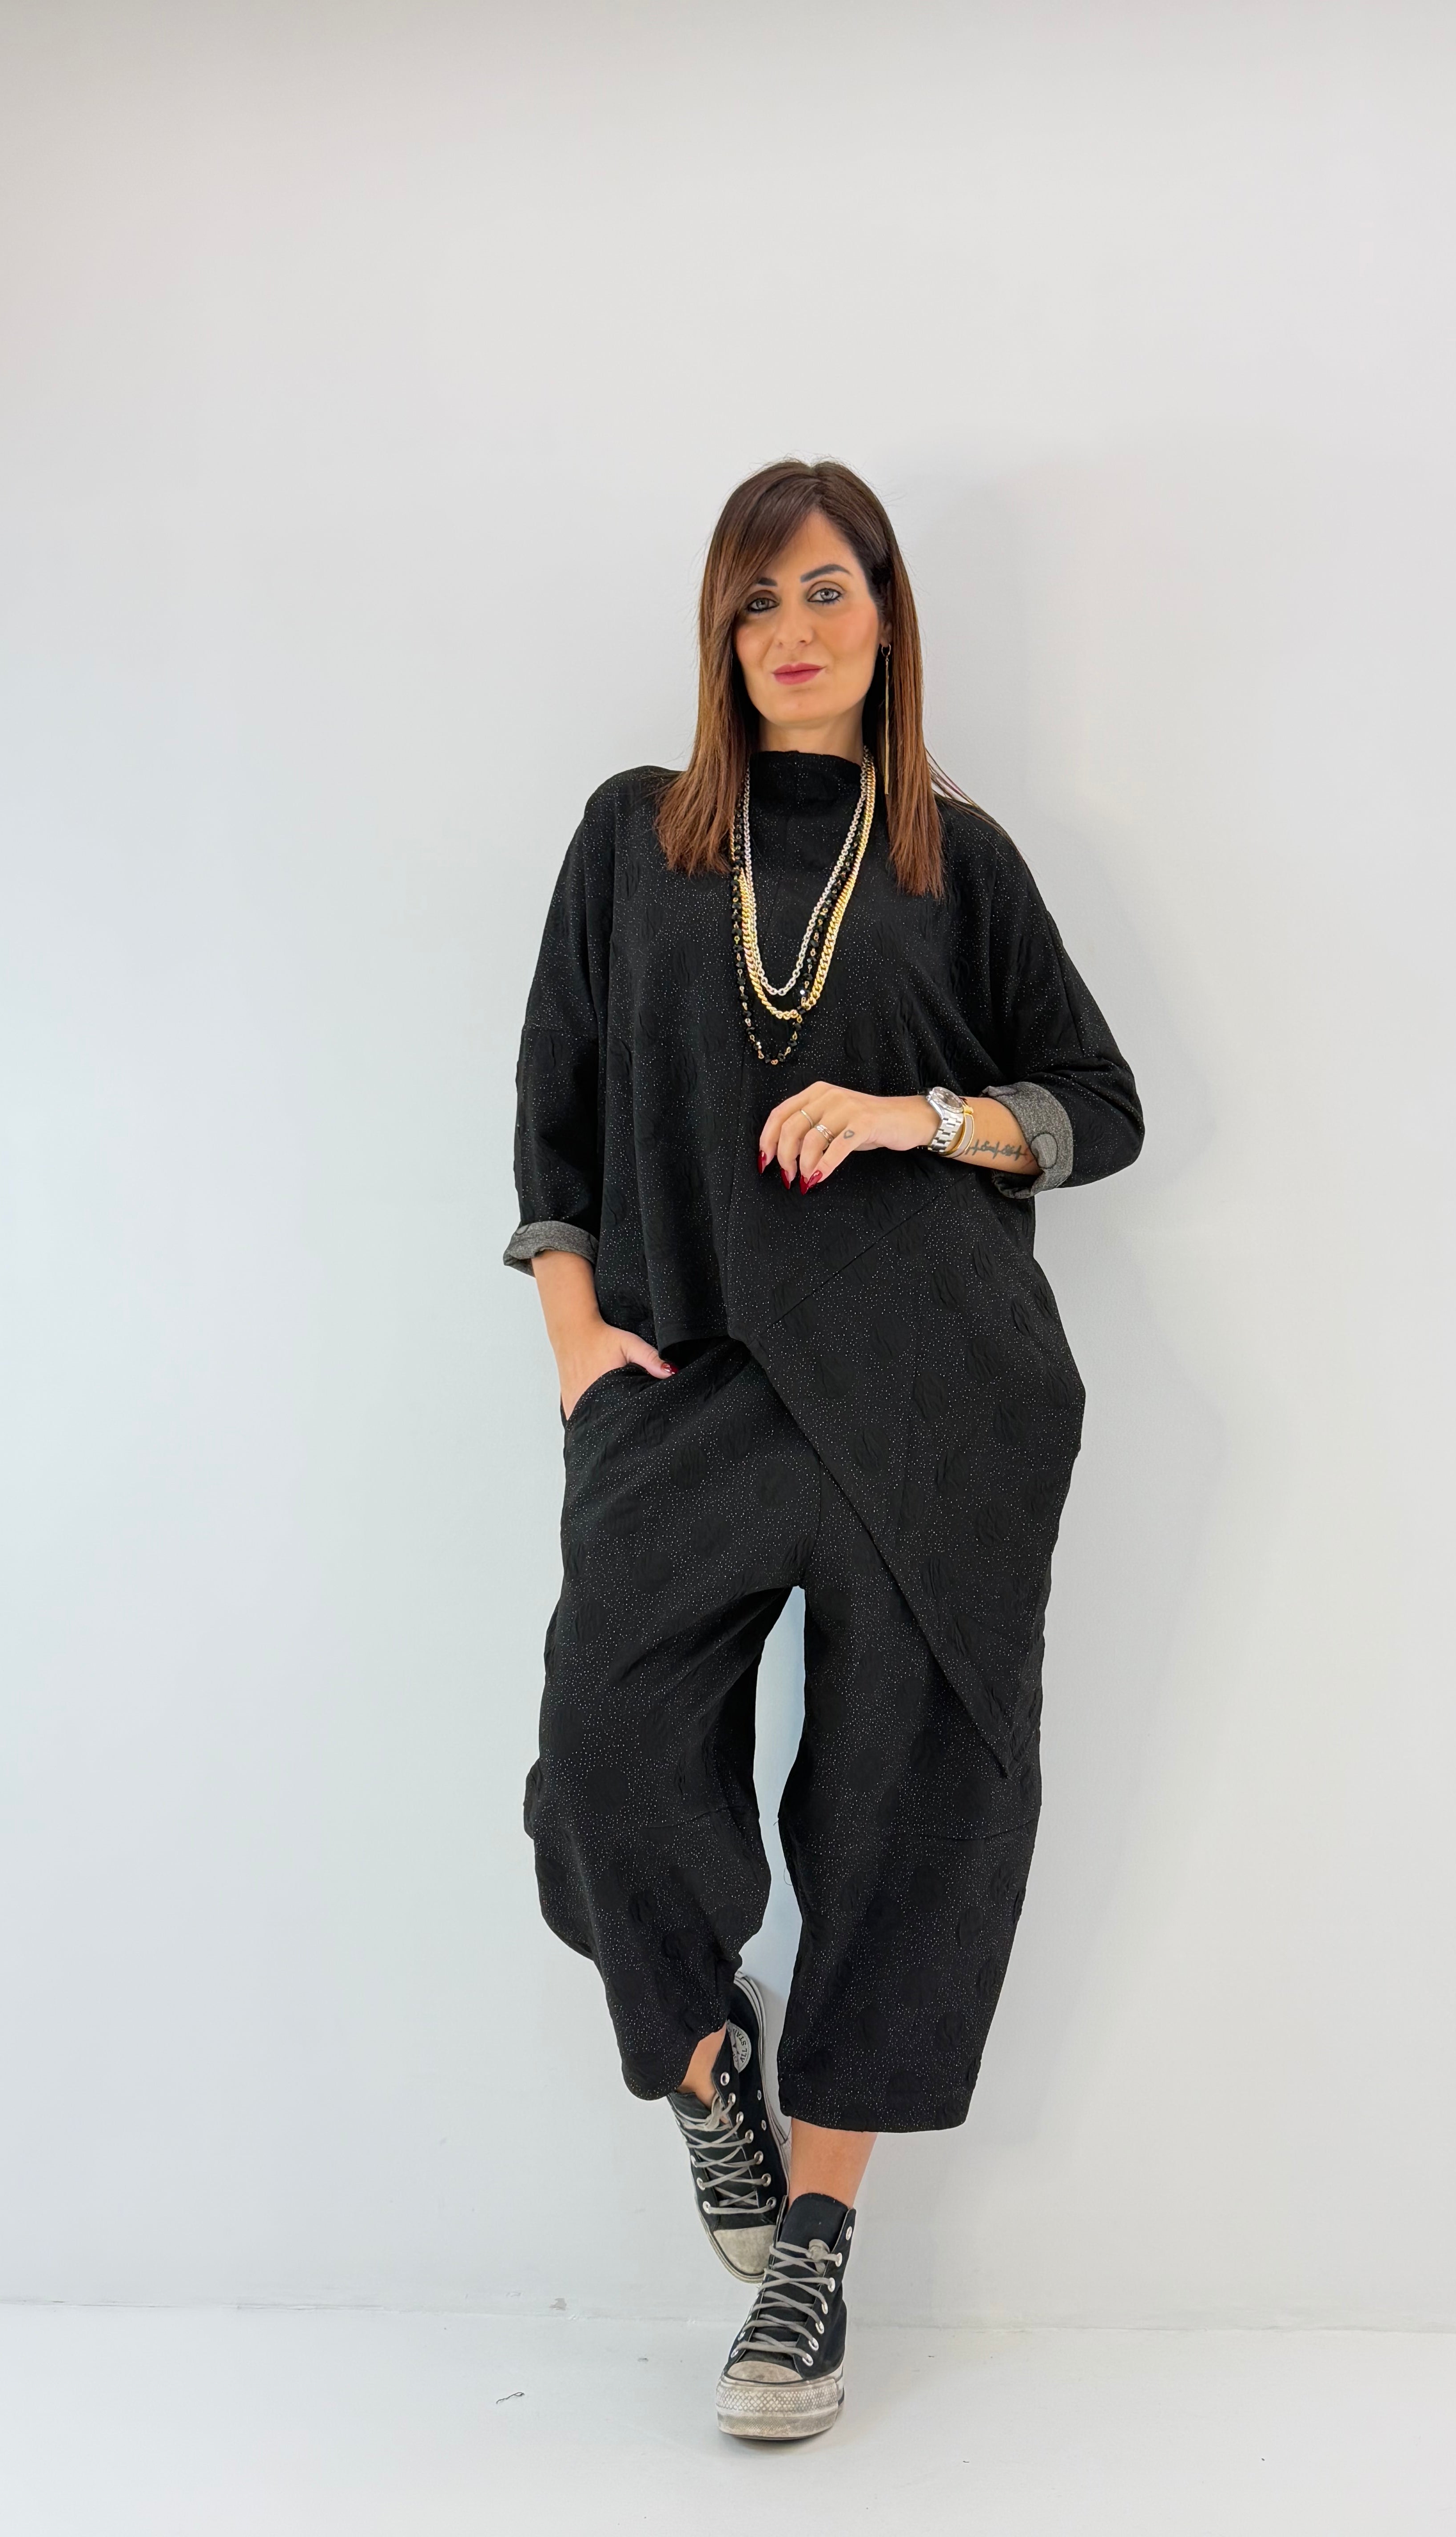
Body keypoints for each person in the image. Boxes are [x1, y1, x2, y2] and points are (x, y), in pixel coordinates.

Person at [504, 457, 1143, 2441]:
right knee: (604, 1760)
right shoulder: (634, 838)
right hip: (692, 1380)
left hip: (940, 1392)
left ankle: (815, 2249)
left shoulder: (958, 856)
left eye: (828, 592)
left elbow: (1099, 1103)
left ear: (886, 616)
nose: (792, 631)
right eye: (757, 599)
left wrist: (913, 1116)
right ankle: (716, 2070)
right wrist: (576, 1341)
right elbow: (554, 1111)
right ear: (720, 629)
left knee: (906, 1809)